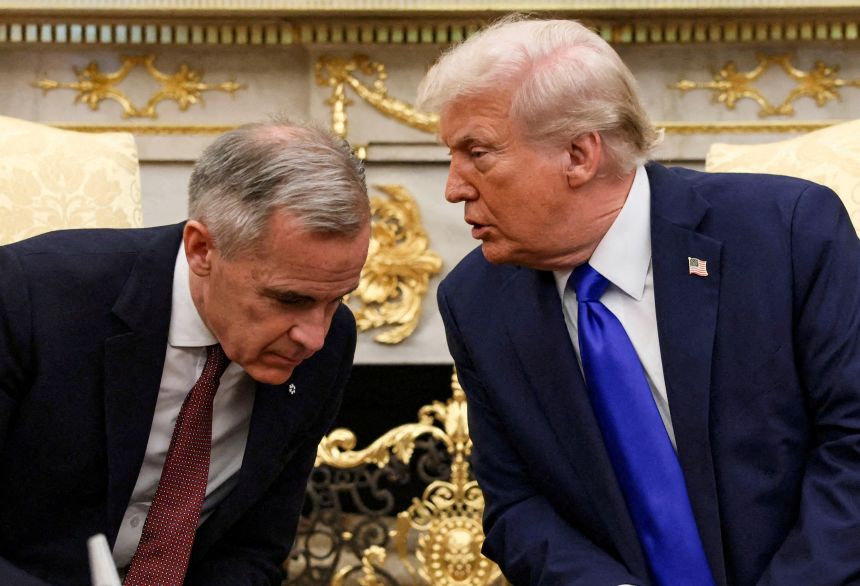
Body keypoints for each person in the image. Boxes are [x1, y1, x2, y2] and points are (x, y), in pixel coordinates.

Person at [417, 16, 860, 586]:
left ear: (579, 155)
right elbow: (517, 506)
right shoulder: (477, 301)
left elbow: (852, 443)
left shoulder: (786, 233)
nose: (453, 186)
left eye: (476, 152)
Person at [0, 118, 371, 585]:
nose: (313, 337)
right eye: (289, 299)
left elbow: (253, 547)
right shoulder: (31, 296)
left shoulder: (330, 343)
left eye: (336, 299)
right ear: (201, 250)